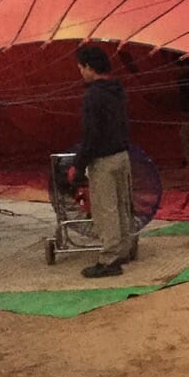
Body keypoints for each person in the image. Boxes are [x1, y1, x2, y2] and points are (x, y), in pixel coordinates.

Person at [72, 44, 133, 279]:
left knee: (106, 210)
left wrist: (79, 164)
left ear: (89, 67)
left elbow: (91, 136)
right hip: (123, 156)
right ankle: (125, 249)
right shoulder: (117, 89)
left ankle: (109, 259)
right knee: (122, 206)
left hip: (104, 161)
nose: (81, 73)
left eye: (81, 68)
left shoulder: (93, 96)